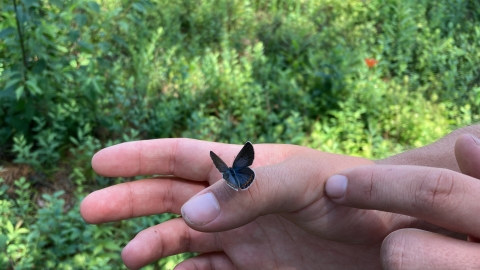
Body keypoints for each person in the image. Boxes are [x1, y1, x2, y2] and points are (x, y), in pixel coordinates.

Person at [80, 125, 480, 269]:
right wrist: (396, 211)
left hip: (239, 177)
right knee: (236, 181)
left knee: (233, 181)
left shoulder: (230, 172)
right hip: (243, 178)